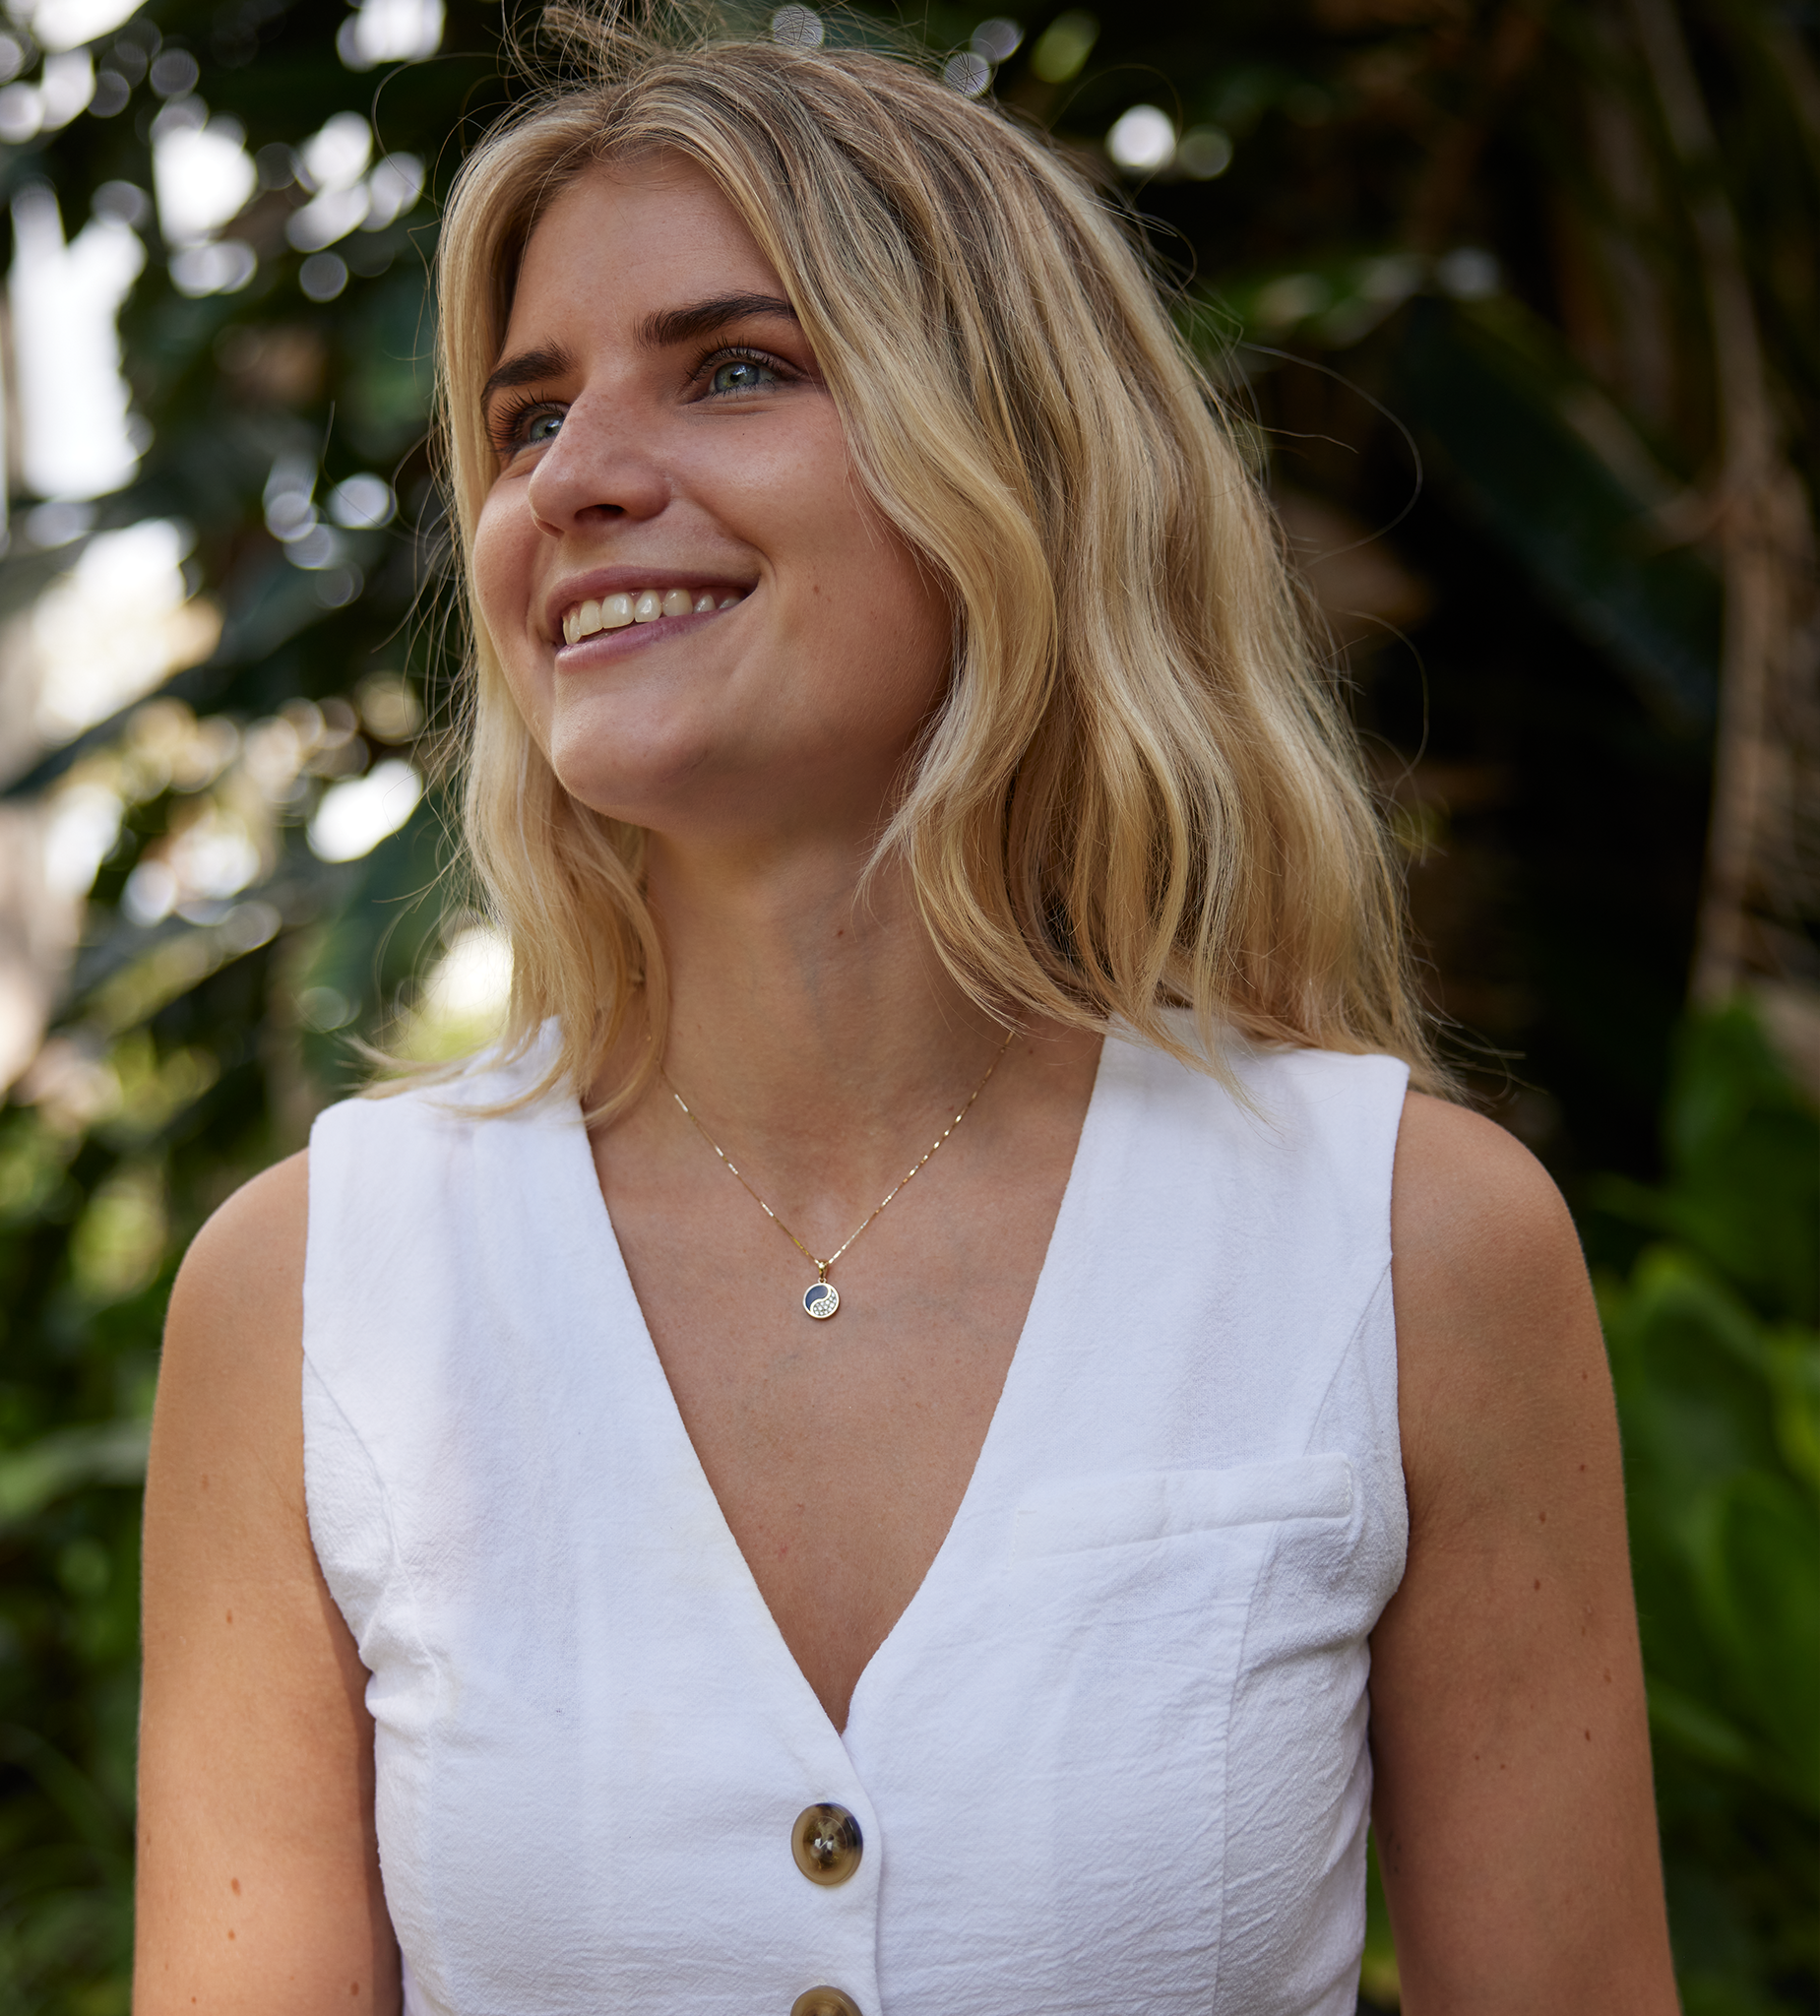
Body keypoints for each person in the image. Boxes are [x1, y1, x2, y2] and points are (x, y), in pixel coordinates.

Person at [134, 17, 1678, 2013]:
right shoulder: (317, 1295)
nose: (574, 481)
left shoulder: (1406, 1247)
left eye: (737, 369)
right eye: (524, 418)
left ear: (1012, 469)